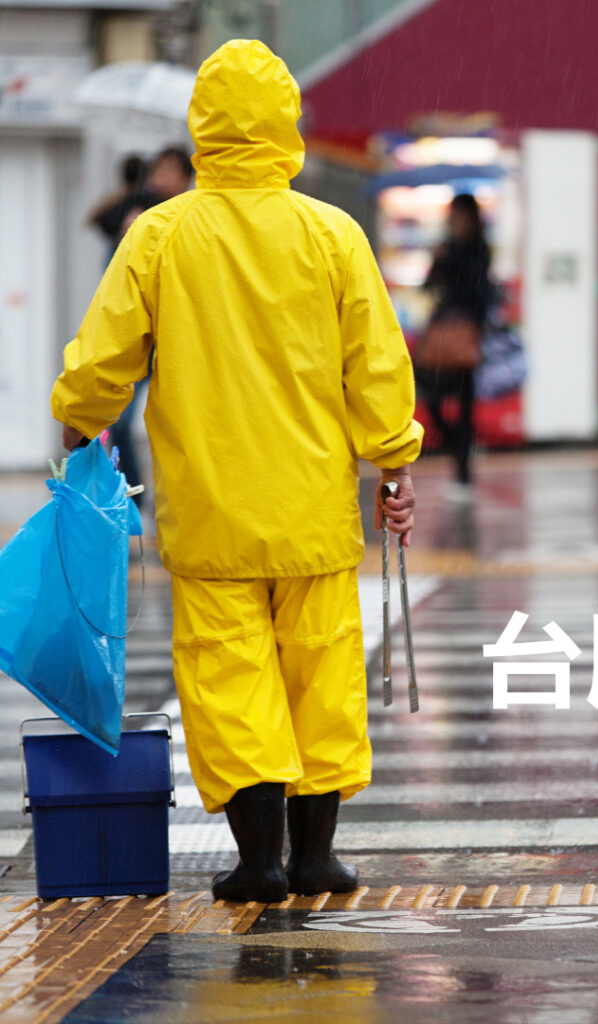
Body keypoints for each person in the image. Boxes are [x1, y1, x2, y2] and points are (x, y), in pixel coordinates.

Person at [51, 39, 422, 903]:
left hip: (210, 510)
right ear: (287, 126)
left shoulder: (162, 235)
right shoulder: (333, 234)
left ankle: (257, 862)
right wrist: (393, 461)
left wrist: (79, 424)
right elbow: (375, 366)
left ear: (205, 128)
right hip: (313, 511)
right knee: (321, 677)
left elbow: (104, 359)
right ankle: (316, 855)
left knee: (230, 679)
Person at [107, 146, 194, 500]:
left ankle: (179, 498)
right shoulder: (139, 213)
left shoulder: (194, 218)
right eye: (158, 169)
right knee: (123, 422)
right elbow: (116, 291)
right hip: (143, 341)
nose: (161, 176)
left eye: (169, 170)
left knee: (184, 427)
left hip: (180, 341)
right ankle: (135, 496)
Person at [417, 192, 494, 490]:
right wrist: (438, 261)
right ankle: (456, 450)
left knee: (465, 407)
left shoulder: (478, 249)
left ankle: (463, 472)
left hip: (465, 337)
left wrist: (477, 330)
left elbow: (478, 290)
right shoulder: (447, 247)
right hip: (442, 336)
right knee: (430, 394)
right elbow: (429, 286)